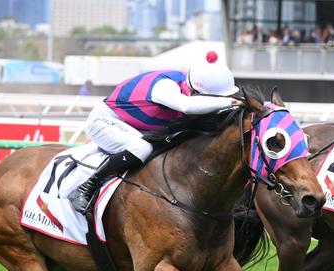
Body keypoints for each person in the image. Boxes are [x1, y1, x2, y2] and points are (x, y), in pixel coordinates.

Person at [67, 51, 243, 214]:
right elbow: (187, 106)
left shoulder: (190, 87)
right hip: (106, 121)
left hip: (134, 126)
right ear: (194, 91)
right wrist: (229, 103)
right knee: (141, 148)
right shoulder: (165, 87)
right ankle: (86, 187)